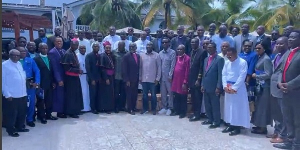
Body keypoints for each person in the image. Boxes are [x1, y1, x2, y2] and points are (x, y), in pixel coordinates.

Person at [274, 30, 300, 150]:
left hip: (296, 92)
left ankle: (297, 144)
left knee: (297, 119)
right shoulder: (288, 53)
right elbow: (281, 70)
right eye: (289, 37)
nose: (290, 39)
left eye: (293, 38)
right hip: (284, 91)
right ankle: (289, 142)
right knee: (287, 118)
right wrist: (280, 83)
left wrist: (289, 84)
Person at [221, 47, 250, 136]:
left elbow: (242, 76)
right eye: (228, 56)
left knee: (237, 108)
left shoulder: (242, 62)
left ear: (235, 53)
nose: (229, 58)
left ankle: (237, 127)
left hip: (238, 89)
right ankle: (230, 124)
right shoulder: (226, 62)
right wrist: (225, 86)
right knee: (229, 107)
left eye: (231, 56)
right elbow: (224, 74)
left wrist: (235, 87)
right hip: (228, 88)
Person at [2, 49, 29, 137]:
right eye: (14, 55)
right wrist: (7, 94)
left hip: (22, 93)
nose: (16, 57)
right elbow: (2, 82)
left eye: (18, 55)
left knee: (22, 112)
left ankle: (20, 127)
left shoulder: (19, 64)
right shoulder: (4, 65)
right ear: (9, 55)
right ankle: (11, 130)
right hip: (11, 94)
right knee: (11, 114)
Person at [268, 37, 289, 143]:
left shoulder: (288, 55)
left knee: (283, 113)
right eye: (277, 44)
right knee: (276, 113)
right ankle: (277, 131)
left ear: (287, 44)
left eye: (281, 44)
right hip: (273, 89)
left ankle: (283, 135)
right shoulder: (277, 55)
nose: (278, 46)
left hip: (282, 88)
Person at [250, 39, 273, 134]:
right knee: (258, 106)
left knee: (263, 107)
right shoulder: (260, 57)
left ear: (264, 48)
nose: (257, 49)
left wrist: (257, 76)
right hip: (259, 86)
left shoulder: (266, 59)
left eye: (259, 48)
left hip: (265, 87)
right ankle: (258, 125)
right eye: (256, 48)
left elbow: (268, 74)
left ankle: (263, 128)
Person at [201, 42, 224, 128]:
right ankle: (209, 119)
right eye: (208, 47)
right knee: (207, 104)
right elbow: (204, 73)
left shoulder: (219, 59)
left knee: (215, 105)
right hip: (206, 86)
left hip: (214, 86)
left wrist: (219, 87)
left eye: (211, 48)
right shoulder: (206, 59)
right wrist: (202, 84)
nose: (209, 49)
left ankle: (216, 121)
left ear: (215, 49)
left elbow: (220, 74)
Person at [17, 46, 40, 127]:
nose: (23, 53)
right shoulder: (15, 62)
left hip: (29, 84)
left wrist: (37, 82)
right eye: (21, 51)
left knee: (31, 103)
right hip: (18, 85)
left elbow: (37, 71)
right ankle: (20, 121)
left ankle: (30, 119)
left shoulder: (30, 60)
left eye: (24, 51)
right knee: (21, 104)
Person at [34, 43, 58, 124]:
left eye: (46, 48)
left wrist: (54, 81)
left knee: (49, 100)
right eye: (43, 48)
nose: (44, 50)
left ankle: (48, 114)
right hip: (41, 84)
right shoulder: (36, 59)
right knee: (41, 101)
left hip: (50, 83)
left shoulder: (49, 57)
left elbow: (52, 71)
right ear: (39, 49)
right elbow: (35, 72)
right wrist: (37, 83)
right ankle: (41, 116)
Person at [61, 40, 83, 118]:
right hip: (70, 78)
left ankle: (76, 110)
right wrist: (78, 70)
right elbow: (67, 68)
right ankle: (71, 112)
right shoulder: (68, 53)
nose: (76, 47)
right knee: (71, 95)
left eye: (77, 45)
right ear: (71, 45)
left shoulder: (73, 52)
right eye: (75, 45)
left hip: (75, 77)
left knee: (76, 94)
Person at [188, 38, 207, 121]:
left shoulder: (202, 52)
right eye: (191, 42)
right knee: (193, 97)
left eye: (194, 42)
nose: (192, 44)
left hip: (197, 79)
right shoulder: (192, 51)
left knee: (197, 97)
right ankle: (195, 113)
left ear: (198, 43)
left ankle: (197, 114)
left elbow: (201, 67)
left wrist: (198, 79)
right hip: (191, 77)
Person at [139, 42, 161, 115]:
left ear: (152, 47)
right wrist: (140, 77)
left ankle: (153, 109)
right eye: (147, 45)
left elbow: (159, 68)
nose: (148, 46)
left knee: (153, 95)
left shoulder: (156, 55)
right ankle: (145, 109)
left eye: (150, 45)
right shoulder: (142, 55)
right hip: (144, 79)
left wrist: (157, 78)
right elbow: (140, 67)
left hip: (153, 79)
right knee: (144, 95)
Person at [48, 37, 67, 118]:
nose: (59, 43)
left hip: (65, 76)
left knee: (64, 95)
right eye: (57, 42)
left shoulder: (63, 51)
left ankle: (63, 110)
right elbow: (54, 68)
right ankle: (59, 112)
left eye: (61, 41)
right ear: (54, 43)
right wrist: (58, 80)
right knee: (58, 95)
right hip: (58, 77)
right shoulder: (52, 52)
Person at [157, 38, 176, 116]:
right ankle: (164, 107)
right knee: (163, 93)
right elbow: (158, 65)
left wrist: (170, 75)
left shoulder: (172, 52)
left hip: (169, 77)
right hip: (162, 77)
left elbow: (173, 65)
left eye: (166, 42)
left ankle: (170, 108)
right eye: (163, 42)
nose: (164, 43)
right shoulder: (160, 53)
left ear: (169, 43)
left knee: (170, 93)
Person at [171, 44, 190, 118]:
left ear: (184, 50)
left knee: (183, 97)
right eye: (178, 49)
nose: (179, 51)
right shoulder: (176, 58)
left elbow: (187, 71)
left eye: (181, 49)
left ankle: (183, 112)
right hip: (176, 80)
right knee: (176, 96)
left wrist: (185, 82)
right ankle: (176, 110)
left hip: (182, 81)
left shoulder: (187, 58)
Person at [122, 42, 140, 115]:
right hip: (129, 80)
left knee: (135, 94)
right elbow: (124, 69)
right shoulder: (126, 56)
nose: (132, 48)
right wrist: (127, 80)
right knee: (129, 94)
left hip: (136, 79)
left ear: (136, 48)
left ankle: (134, 107)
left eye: (133, 47)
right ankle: (130, 109)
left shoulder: (138, 56)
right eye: (131, 47)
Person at [98, 41, 115, 114]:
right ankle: (105, 108)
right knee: (105, 93)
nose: (108, 49)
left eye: (109, 48)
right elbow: (102, 68)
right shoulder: (102, 56)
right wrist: (106, 78)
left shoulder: (110, 55)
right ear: (104, 48)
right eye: (107, 48)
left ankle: (109, 107)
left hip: (111, 76)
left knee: (110, 93)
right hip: (105, 77)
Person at [85, 42, 102, 114]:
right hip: (92, 79)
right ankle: (93, 108)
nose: (96, 48)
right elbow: (88, 68)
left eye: (97, 47)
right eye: (95, 46)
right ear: (92, 47)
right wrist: (92, 79)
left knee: (98, 94)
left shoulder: (99, 56)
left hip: (98, 78)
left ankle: (98, 107)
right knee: (93, 94)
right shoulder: (89, 56)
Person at [113, 41, 127, 113]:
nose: (120, 47)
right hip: (116, 76)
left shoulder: (127, 53)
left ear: (124, 46)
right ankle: (116, 107)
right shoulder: (114, 52)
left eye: (122, 46)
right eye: (119, 46)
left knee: (123, 93)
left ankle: (122, 106)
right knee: (116, 93)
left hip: (124, 76)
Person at [77, 45, 91, 112]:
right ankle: (81, 108)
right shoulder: (76, 56)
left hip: (87, 76)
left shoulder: (88, 56)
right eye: (81, 48)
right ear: (79, 49)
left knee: (87, 92)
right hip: (80, 76)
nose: (83, 49)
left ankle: (88, 107)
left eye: (84, 48)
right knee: (82, 92)